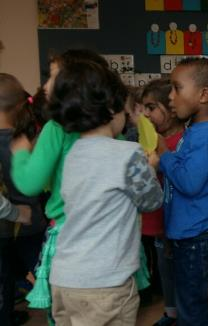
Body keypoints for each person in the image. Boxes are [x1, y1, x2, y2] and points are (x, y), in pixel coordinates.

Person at [48, 60, 163, 325]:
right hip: (105, 284)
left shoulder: (73, 153)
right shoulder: (127, 153)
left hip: (64, 279)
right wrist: (151, 168)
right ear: (113, 109)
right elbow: (152, 200)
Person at [9, 49, 123, 318]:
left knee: (66, 311)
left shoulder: (56, 128)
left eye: (53, 76)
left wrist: (21, 153)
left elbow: (29, 183)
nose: (46, 85)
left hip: (68, 237)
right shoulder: (110, 128)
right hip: (108, 237)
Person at [158, 57, 208, 326]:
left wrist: (164, 154)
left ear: (203, 94)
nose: (171, 97)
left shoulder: (207, 134)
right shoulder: (195, 131)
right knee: (188, 302)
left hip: (196, 235)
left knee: (192, 309)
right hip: (187, 233)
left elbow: (189, 182)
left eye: (177, 88)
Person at [0, 73, 46, 326]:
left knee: (2, 281)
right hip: (30, 225)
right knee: (43, 277)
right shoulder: (27, 143)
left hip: (3, 230)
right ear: (20, 106)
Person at [141, 77, 185, 326]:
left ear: (170, 107)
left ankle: (180, 316)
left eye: (150, 107)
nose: (145, 114)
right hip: (159, 222)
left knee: (177, 272)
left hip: (174, 223)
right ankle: (171, 314)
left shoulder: (180, 142)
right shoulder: (153, 140)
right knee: (164, 270)